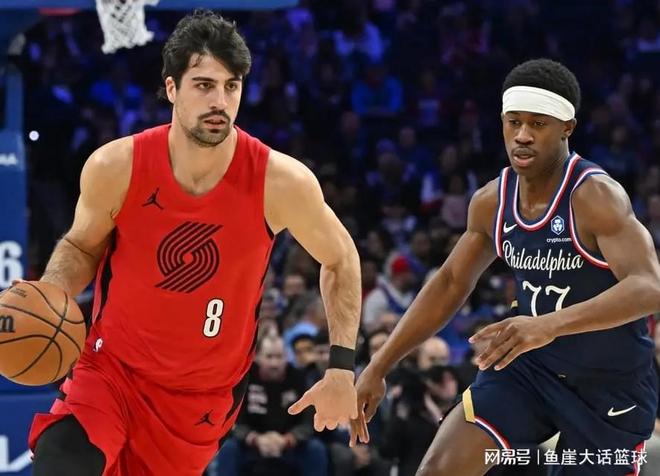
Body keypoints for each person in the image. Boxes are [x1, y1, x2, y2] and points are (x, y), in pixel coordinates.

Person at [27, 10, 361, 476]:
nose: (220, 101)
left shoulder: (280, 182)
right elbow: (81, 247)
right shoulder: (116, 167)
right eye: (204, 85)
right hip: (111, 371)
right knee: (60, 461)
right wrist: (50, 294)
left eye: (231, 86)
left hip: (201, 399)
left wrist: (341, 367)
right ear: (171, 88)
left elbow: (341, 259)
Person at [350, 58, 660, 476]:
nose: (523, 135)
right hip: (529, 369)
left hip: (610, 383)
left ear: (567, 127)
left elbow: (649, 286)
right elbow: (450, 282)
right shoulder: (491, 201)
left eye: (538, 124)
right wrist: (379, 365)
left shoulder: (595, 196)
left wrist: (548, 325)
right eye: (514, 122)